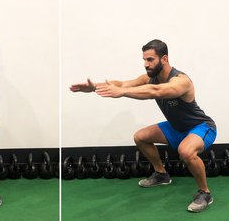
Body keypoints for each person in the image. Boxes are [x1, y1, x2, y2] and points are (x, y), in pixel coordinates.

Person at [70, 39, 217, 213]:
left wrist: (123, 93)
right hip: (177, 128)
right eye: (144, 60)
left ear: (164, 59)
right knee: (141, 137)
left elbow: (157, 91)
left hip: (201, 127)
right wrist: (95, 87)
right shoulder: (150, 78)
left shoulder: (181, 81)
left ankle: (204, 193)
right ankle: (161, 174)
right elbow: (124, 84)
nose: (146, 64)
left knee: (186, 151)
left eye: (150, 60)